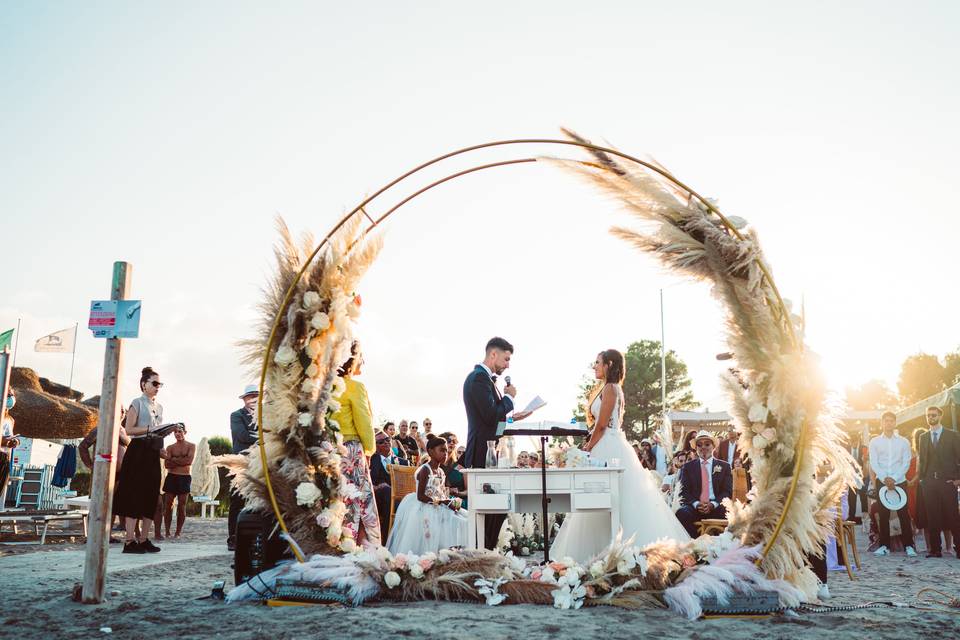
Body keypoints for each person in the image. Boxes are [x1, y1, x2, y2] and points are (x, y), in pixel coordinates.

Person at [552, 349, 690, 562]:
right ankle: (603, 552)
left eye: (597, 362)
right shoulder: (608, 388)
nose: (594, 366)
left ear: (608, 364)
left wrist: (587, 449)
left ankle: (618, 552)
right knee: (600, 500)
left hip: (608, 446)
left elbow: (602, 426)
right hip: (609, 443)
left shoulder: (610, 388)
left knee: (609, 499)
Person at [461, 337, 530, 549]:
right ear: (493, 354)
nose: (508, 364)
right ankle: (482, 551)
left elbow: (491, 418)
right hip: (482, 452)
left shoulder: (486, 379)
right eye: (506, 359)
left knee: (496, 509)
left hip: (490, 451)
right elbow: (490, 416)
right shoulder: (478, 378)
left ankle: (487, 551)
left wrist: (511, 418)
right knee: (488, 509)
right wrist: (509, 399)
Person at [330, 340, 381, 546]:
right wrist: (369, 449)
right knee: (360, 502)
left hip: (331, 452)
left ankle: (338, 541)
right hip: (351, 452)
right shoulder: (356, 387)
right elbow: (364, 423)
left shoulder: (328, 386)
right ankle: (362, 547)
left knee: (339, 501)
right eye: (361, 357)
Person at [112, 366, 165, 554]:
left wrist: (163, 450)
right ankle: (129, 541)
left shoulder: (159, 407)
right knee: (133, 494)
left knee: (151, 495)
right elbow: (129, 429)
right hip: (137, 451)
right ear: (144, 384)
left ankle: (143, 539)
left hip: (152, 452)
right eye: (155, 383)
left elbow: (159, 431)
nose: (158, 387)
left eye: (160, 384)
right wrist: (149, 430)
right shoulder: (137, 402)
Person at [386, 435, 468, 554]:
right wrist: (441, 502)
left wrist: (449, 500)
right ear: (430, 451)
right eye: (442, 450)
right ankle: (435, 552)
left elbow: (440, 491)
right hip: (424, 505)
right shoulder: (425, 470)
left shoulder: (440, 471)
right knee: (453, 519)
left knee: (464, 518)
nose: (445, 453)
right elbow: (421, 496)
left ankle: (451, 552)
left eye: (446, 450)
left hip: (438, 503)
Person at [868, 411, 916, 557]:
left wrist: (894, 478)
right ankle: (884, 546)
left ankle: (909, 546)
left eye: (891, 421)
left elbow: (906, 462)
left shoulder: (903, 442)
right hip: (882, 481)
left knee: (903, 514)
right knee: (883, 515)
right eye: (886, 421)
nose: (888, 423)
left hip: (899, 481)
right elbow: (874, 462)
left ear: (895, 423)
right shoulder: (874, 442)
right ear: (881, 423)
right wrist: (884, 478)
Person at [917, 405, 960, 558]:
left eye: (934, 415)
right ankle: (935, 550)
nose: (931, 418)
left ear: (940, 416)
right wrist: (923, 479)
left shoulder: (952, 435)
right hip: (929, 483)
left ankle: (959, 549)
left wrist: (958, 479)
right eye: (928, 415)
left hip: (948, 482)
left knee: (953, 516)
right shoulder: (924, 437)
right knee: (932, 517)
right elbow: (922, 460)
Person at [674, 430, 733, 538]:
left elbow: (727, 492)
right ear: (696, 448)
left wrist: (713, 504)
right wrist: (696, 504)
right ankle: (698, 541)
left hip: (717, 507)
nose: (703, 447)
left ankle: (720, 543)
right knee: (681, 513)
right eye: (699, 445)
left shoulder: (724, 466)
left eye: (707, 444)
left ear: (713, 446)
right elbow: (684, 492)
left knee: (730, 513)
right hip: (695, 508)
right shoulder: (688, 467)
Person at [228, 384, 260, 551]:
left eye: (256, 396)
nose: (254, 399)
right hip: (240, 463)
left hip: (259, 463)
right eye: (250, 396)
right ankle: (233, 537)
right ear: (245, 399)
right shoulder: (236, 415)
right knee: (237, 500)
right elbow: (242, 435)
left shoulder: (265, 416)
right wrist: (263, 436)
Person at [369, 430, 410, 542]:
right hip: (378, 499)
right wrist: (377, 487)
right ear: (375, 446)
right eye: (381, 441)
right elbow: (369, 482)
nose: (386, 442)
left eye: (388, 439)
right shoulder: (371, 460)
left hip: (400, 498)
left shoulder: (403, 462)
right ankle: (387, 539)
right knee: (386, 491)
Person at [162, 425, 195, 539]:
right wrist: (181, 461)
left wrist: (174, 460)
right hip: (172, 476)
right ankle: (167, 531)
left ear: (185, 432)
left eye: (180, 431)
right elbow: (167, 464)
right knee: (168, 505)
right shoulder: (170, 447)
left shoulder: (191, 446)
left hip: (184, 477)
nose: (177, 434)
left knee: (182, 505)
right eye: (175, 432)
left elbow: (189, 461)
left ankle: (178, 532)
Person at [1, 389, 19, 502]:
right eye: (9, 395)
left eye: (12, 395)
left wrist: (15, 442)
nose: (11, 398)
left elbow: (10, 436)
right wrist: (4, 441)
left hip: (5, 457)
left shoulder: (10, 419)